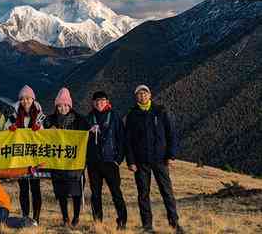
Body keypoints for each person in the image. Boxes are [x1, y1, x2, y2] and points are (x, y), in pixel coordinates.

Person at [125, 85, 184, 234]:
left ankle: (174, 223)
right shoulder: (132, 115)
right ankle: (147, 226)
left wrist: (171, 154)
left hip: (160, 159)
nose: (142, 96)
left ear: (150, 95)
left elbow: (171, 133)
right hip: (141, 161)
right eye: (139, 94)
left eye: (144, 93)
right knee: (143, 194)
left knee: (167, 192)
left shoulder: (161, 111)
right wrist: (131, 161)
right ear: (136, 97)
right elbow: (128, 140)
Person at [43, 87, 89, 227]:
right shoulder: (50, 120)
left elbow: (86, 137)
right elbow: (40, 134)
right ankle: (65, 217)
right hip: (58, 163)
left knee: (76, 191)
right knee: (61, 191)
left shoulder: (80, 120)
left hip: (74, 162)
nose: (62, 108)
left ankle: (75, 217)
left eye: (65, 105)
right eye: (59, 105)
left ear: (69, 105)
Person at [86, 91, 128, 230]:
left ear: (107, 101)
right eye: (97, 101)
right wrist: (89, 133)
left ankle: (122, 221)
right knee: (95, 194)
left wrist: (118, 159)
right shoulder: (89, 118)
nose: (99, 103)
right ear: (93, 103)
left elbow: (121, 139)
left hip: (110, 162)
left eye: (102, 100)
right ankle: (98, 222)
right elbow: (81, 140)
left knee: (116, 192)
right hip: (93, 163)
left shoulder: (114, 117)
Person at [6, 85, 45, 224]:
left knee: (35, 188)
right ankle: (25, 216)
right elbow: (6, 131)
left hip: (35, 158)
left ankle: (36, 218)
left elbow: (46, 135)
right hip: (20, 158)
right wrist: (10, 129)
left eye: (28, 98)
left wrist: (39, 129)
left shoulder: (40, 115)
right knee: (23, 188)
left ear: (33, 99)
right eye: (22, 99)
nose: (25, 101)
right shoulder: (13, 115)